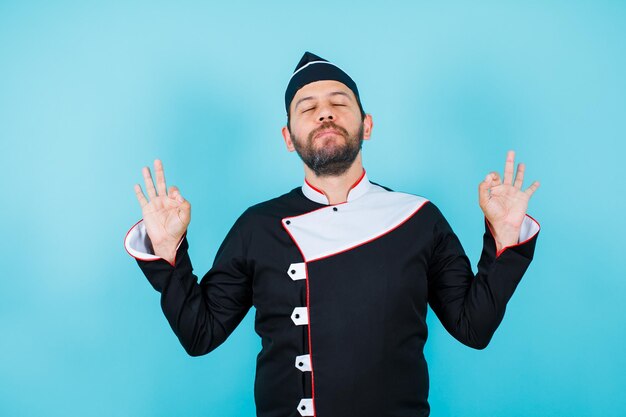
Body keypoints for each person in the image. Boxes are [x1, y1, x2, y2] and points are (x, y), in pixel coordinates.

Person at [124, 52, 540, 417]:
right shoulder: (257, 226)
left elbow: (474, 327)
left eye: (339, 103)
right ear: (288, 138)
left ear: (368, 125)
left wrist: (504, 239)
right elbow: (201, 333)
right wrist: (167, 250)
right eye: (308, 108)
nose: (325, 113)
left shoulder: (419, 218)